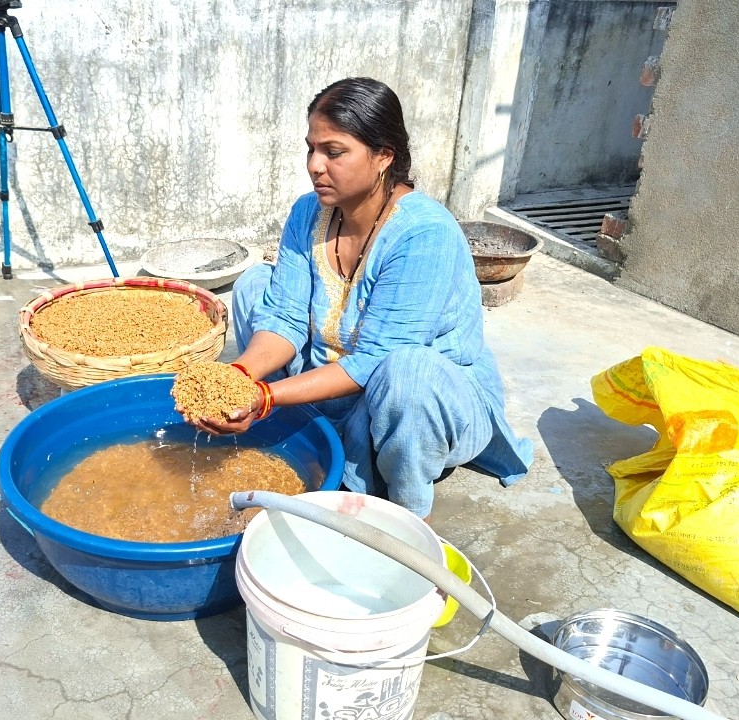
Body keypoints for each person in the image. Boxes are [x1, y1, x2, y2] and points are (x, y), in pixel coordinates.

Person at [192, 77, 533, 520]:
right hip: (333, 374)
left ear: (383, 156)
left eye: (334, 152)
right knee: (254, 284)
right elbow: (285, 315)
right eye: (311, 149)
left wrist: (267, 397)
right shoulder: (308, 212)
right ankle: (310, 420)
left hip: (416, 400)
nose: (315, 166)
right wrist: (239, 377)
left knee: (406, 372)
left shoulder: (423, 234)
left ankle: (405, 513)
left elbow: (376, 360)